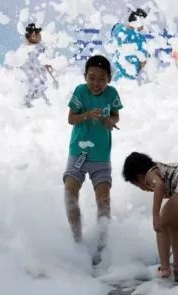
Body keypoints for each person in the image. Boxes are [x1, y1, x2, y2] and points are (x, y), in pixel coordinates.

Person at [64, 55, 122, 263]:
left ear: (109, 79)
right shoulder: (81, 91)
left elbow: (116, 115)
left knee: (103, 199)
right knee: (70, 193)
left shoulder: (111, 94)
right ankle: (77, 240)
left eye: (101, 79)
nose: (96, 83)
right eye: (92, 78)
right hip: (78, 153)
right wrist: (87, 115)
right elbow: (71, 119)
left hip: (100, 155)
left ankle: (102, 244)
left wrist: (110, 120)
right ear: (85, 77)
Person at [122, 152, 178, 283]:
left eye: (137, 185)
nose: (142, 188)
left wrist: (155, 216)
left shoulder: (150, 174)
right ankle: (177, 266)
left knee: (162, 223)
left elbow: (159, 186)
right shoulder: (162, 169)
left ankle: (164, 269)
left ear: (139, 177)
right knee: (174, 226)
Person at [21, 23, 55, 108]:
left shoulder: (39, 47)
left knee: (39, 86)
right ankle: (28, 102)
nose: (40, 36)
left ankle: (43, 102)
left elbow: (43, 59)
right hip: (32, 74)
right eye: (39, 34)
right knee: (34, 86)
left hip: (37, 73)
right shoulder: (30, 49)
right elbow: (38, 60)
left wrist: (47, 64)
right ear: (33, 36)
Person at [111, 8, 149, 83]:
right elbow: (143, 63)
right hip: (130, 80)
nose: (144, 26)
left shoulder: (117, 29)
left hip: (117, 79)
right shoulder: (139, 39)